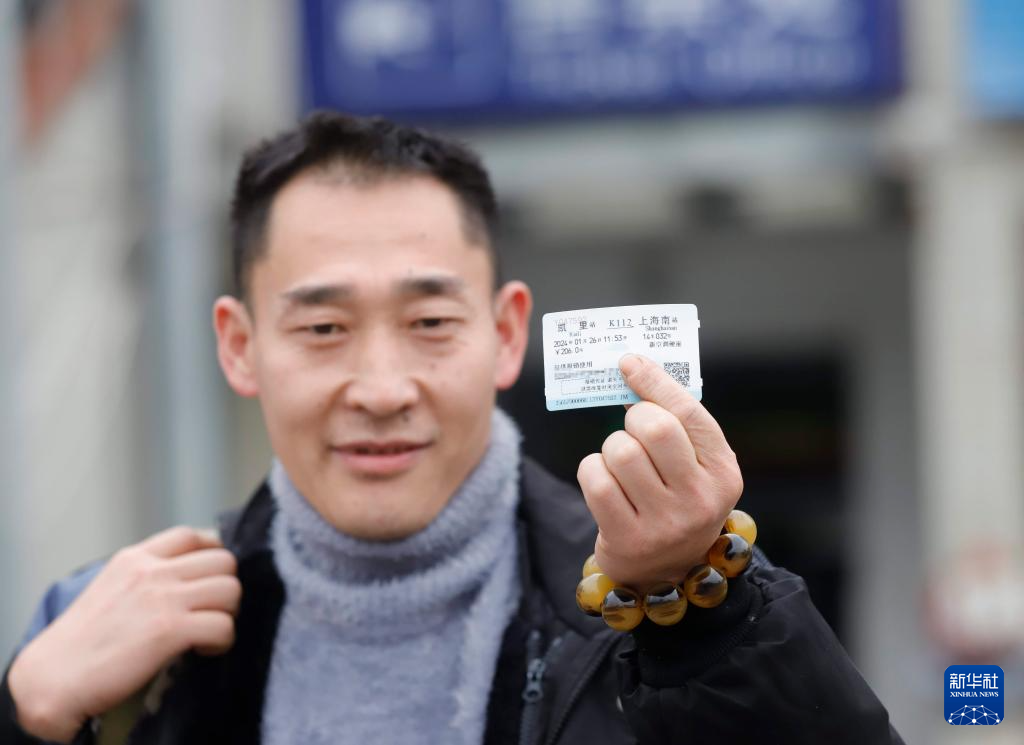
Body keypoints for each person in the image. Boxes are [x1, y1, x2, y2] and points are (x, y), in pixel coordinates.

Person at [1, 112, 905, 745]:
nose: (382, 388)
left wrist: (704, 620)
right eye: (323, 328)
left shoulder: (662, 601)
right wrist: (27, 717)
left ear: (506, 333)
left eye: (430, 322)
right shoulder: (119, 637)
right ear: (240, 347)